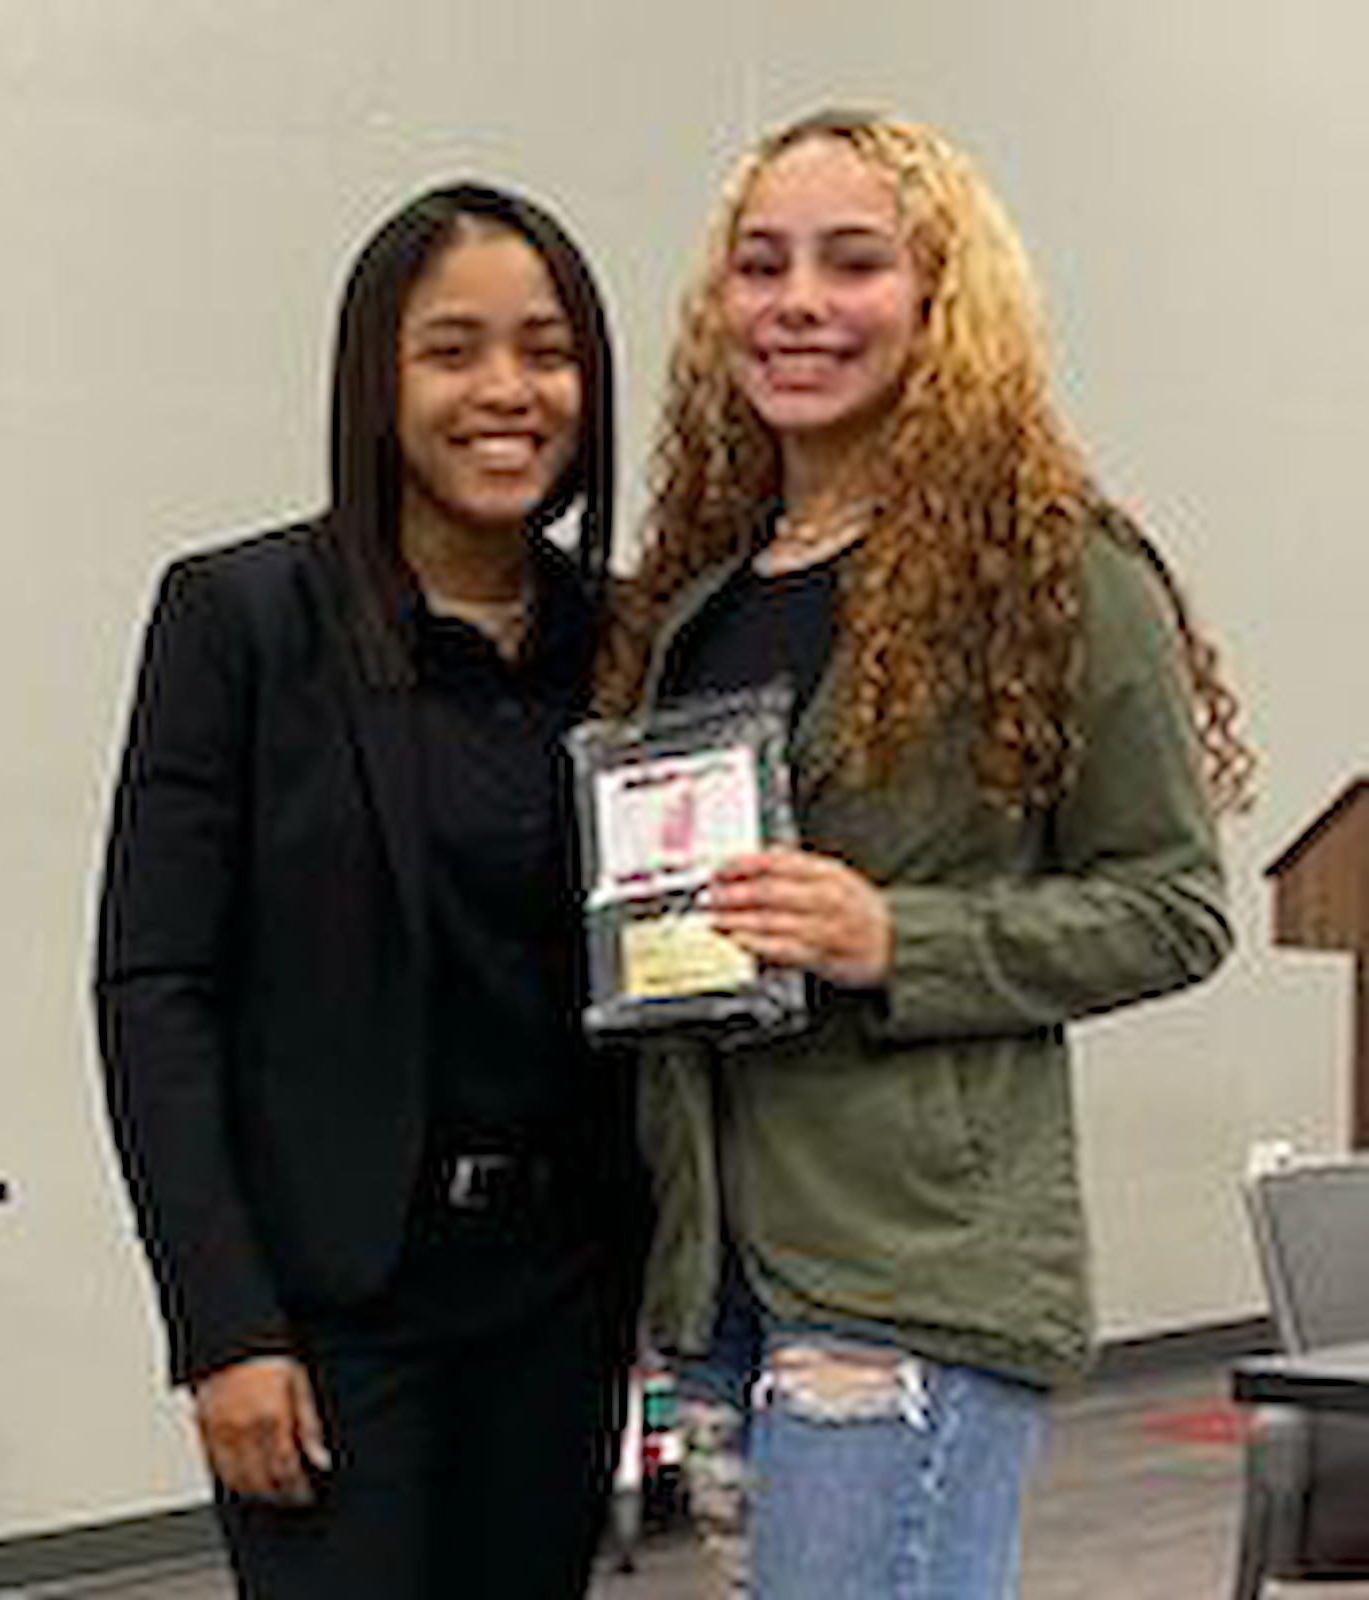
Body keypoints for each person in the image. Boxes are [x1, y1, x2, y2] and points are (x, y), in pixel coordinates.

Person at [596, 109, 1251, 1598]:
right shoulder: (700, 605)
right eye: (762, 265)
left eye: (853, 263)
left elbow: (1174, 906)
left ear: (944, 299)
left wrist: (895, 939)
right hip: (720, 1270)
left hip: (915, 1259)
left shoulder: (1058, 568)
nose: (799, 303)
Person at [95, 182, 642, 1599]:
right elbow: (156, 990)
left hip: (563, 1294)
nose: (507, 390)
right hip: (331, 1309)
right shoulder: (241, 620)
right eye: (453, 350)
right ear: (376, 383)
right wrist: (221, 1326)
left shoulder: (629, 640)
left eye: (548, 351)